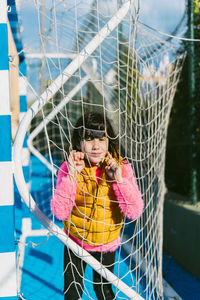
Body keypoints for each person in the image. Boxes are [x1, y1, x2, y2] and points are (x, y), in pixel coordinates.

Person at [51, 112, 144, 300]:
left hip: (105, 243)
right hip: (75, 242)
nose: (96, 146)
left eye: (102, 139)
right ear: (78, 143)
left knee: (104, 292)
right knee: (72, 292)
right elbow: (60, 212)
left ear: (109, 141)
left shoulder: (121, 167)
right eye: (89, 139)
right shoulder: (68, 168)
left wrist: (118, 180)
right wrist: (71, 176)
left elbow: (134, 211)